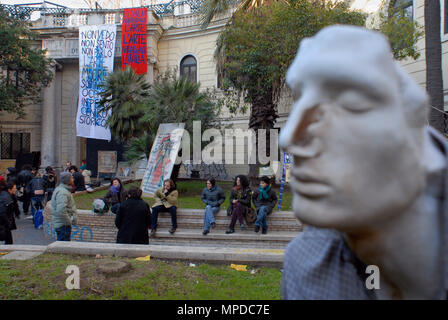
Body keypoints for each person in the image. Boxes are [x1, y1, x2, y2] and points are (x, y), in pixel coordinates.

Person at [279, 25, 448, 299]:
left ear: (415, 138)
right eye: (300, 98)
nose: (288, 138)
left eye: (350, 101)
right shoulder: (305, 265)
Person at [51, 172, 77, 241]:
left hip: (62, 224)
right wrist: (68, 221)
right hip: (63, 225)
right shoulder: (63, 192)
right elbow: (61, 210)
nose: (73, 179)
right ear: (67, 180)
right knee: (63, 246)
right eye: (71, 178)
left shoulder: (63, 190)